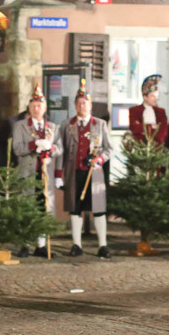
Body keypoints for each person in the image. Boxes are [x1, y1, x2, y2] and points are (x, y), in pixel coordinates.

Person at [58, 81, 113, 258]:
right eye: (79, 103)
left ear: (90, 105)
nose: (82, 106)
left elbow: (109, 149)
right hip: (74, 173)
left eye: (85, 103)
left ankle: (102, 245)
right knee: (75, 208)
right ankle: (76, 244)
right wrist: (59, 174)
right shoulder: (67, 125)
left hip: (94, 174)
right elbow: (61, 150)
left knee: (98, 208)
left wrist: (99, 159)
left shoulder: (100, 124)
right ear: (75, 105)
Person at [12, 85, 63, 257]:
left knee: (44, 208)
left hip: (45, 174)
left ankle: (41, 244)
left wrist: (50, 148)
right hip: (28, 173)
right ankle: (24, 243)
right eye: (33, 105)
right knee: (27, 206)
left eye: (39, 106)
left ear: (45, 108)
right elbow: (17, 148)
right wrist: (34, 145)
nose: (36, 108)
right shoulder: (21, 126)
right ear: (29, 107)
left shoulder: (52, 127)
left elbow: (60, 149)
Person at [129, 74, 167, 145]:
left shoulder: (161, 111)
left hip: (157, 147)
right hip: (139, 147)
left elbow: (163, 131)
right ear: (145, 97)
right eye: (152, 96)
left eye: (156, 96)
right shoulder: (134, 110)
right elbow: (134, 128)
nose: (155, 99)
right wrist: (152, 126)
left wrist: (144, 128)